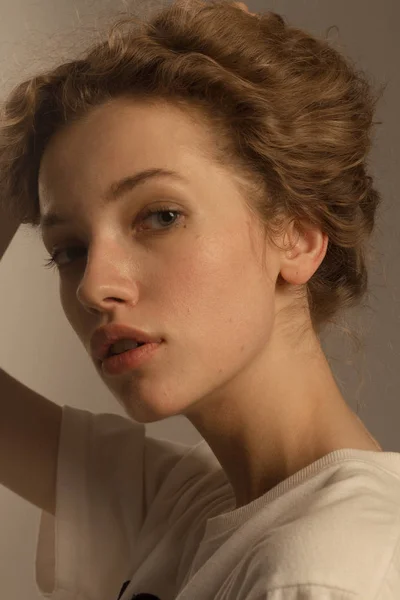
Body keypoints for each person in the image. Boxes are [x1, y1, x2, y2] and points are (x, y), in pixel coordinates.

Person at [0, 1, 398, 599]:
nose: (92, 285)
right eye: (69, 248)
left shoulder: (324, 572)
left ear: (297, 236)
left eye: (160, 216)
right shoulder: (187, 508)